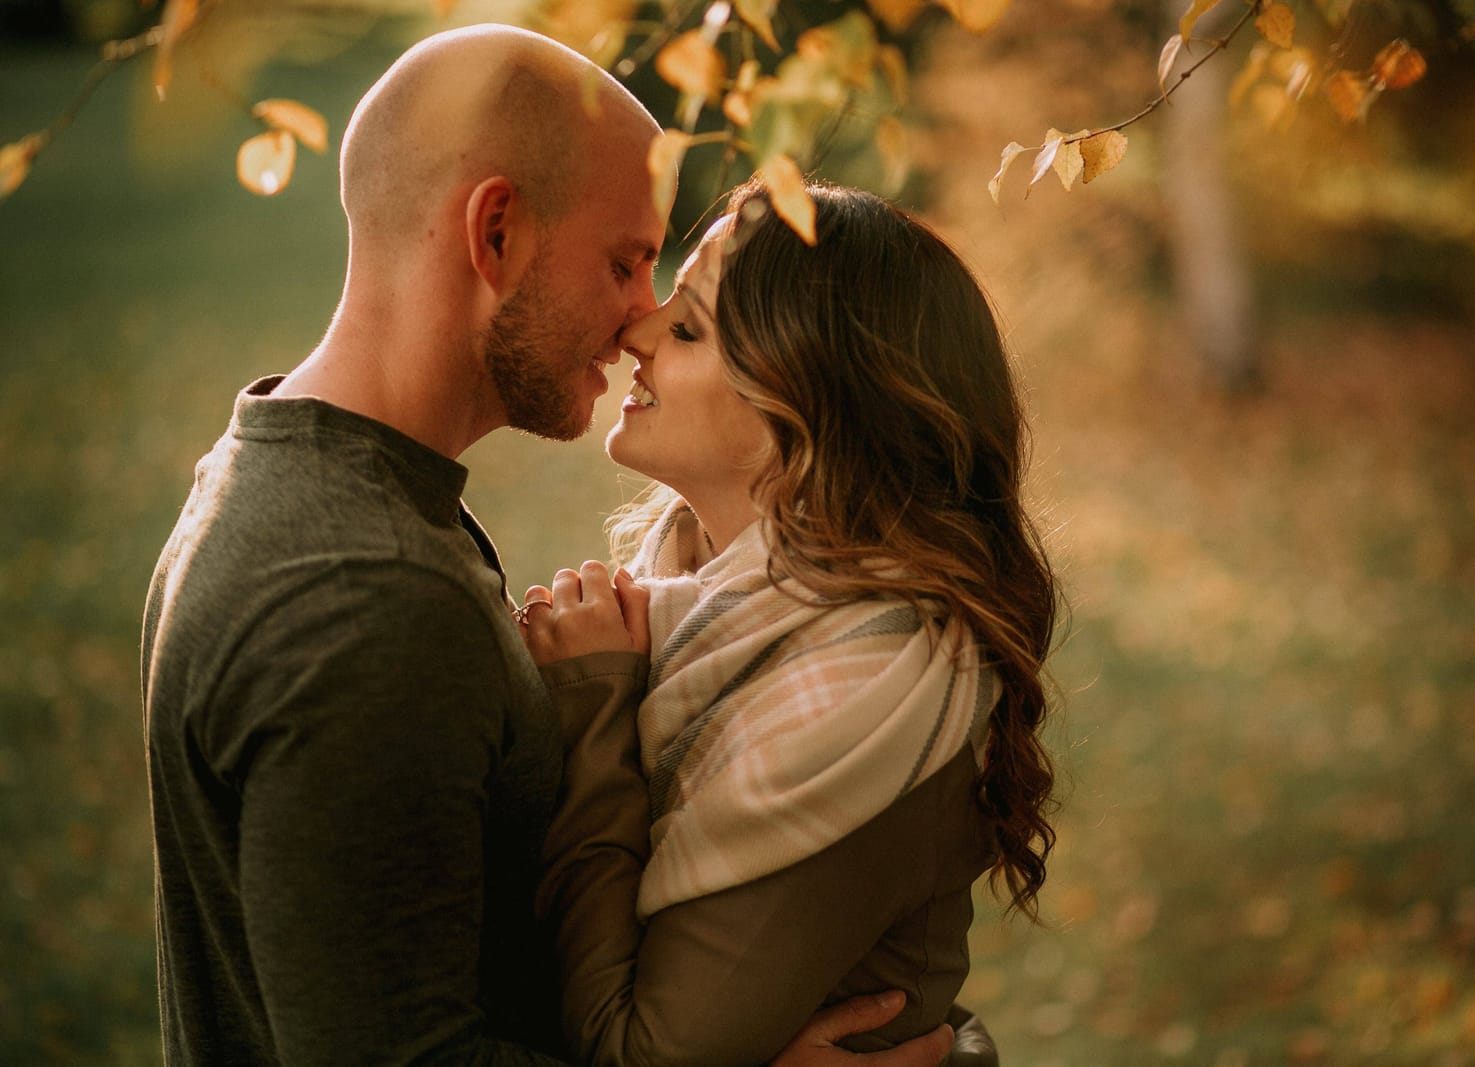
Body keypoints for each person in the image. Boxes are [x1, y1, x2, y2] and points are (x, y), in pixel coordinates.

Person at [141, 25, 965, 1066]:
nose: (636, 319)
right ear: (496, 235)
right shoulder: (367, 598)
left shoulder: (309, 482)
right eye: (626, 261)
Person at [517, 179, 1062, 1066]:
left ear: (803, 418)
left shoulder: (864, 693)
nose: (636, 333)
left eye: (688, 329)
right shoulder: (694, 589)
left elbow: (637, 1049)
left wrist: (593, 713)